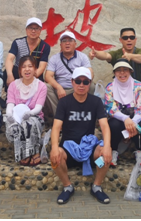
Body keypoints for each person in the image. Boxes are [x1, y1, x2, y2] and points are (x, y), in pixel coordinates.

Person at [50, 67, 112, 205]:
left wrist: (107, 146)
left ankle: (96, 186)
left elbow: (104, 126)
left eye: (85, 82)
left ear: (90, 83)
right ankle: (67, 186)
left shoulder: (96, 102)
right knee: (55, 158)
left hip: (89, 152)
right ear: (72, 82)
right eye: (78, 81)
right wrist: (54, 147)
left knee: (105, 155)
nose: (81, 85)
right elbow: (56, 127)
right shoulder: (64, 102)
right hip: (69, 151)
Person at [103, 60, 141, 166]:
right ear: (114, 73)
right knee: (113, 125)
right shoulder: (110, 87)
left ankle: (139, 151)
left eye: (125, 70)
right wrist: (125, 119)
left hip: (135, 117)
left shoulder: (140, 86)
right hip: (118, 118)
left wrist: (133, 122)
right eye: (118, 70)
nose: (122, 73)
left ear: (130, 71)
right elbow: (110, 108)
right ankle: (114, 151)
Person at [5, 55, 48, 166]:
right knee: (15, 124)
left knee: (28, 123)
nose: (27, 69)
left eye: (30, 66)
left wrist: (30, 113)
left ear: (35, 69)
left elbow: (38, 107)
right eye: (23, 67)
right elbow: (10, 103)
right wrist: (9, 114)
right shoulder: (13, 85)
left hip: (35, 116)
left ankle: (34, 152)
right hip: (17, 117)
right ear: (19, 70)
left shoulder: (41, 86)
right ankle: (24, 152)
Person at [44, 31, 93, 118]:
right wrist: (59, 87)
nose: (67, 43)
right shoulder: (54, 58)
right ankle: (59, 117)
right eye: (64, 41)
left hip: (76, 87)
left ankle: (84, 117)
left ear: (75, 44)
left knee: (91, 86)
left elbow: (90, 73)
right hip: (59, 90)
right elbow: (48, 76)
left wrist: (79, 86)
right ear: (60, 45)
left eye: (70, 40)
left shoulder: (82, 57)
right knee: (45, 87)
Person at [4, 17, 51, 86]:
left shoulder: (45, 46)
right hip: (19, 72)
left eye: (36, 28)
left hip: (35, 75)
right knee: (7, 72)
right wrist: (10, 75)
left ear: (40, 30)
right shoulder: (17, 42)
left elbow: (41, 67)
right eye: (31, 28)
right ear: (26, 29)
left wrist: (28, 79)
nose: (33, 31)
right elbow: (9, 59)